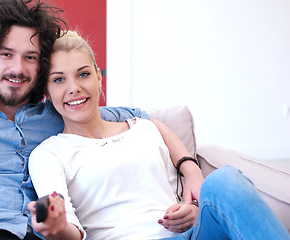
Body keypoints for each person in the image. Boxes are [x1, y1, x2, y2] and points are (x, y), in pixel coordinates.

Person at [0, 1, 202, 240]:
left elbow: (143, 120)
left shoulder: (59, 113)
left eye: (30, 57)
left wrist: (189, 168)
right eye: (6, 54)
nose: (18, 68)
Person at [27, 31, 290, 240]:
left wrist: (192, 211)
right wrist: (57, 226)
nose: (74, 88)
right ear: (47, 92)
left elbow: (179, 196)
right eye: (59, 80)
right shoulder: (49, 153)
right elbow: (69, 230)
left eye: (83, 74)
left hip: (191, 235)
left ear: (98, 78)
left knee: (225, 180)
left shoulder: (144, 128)